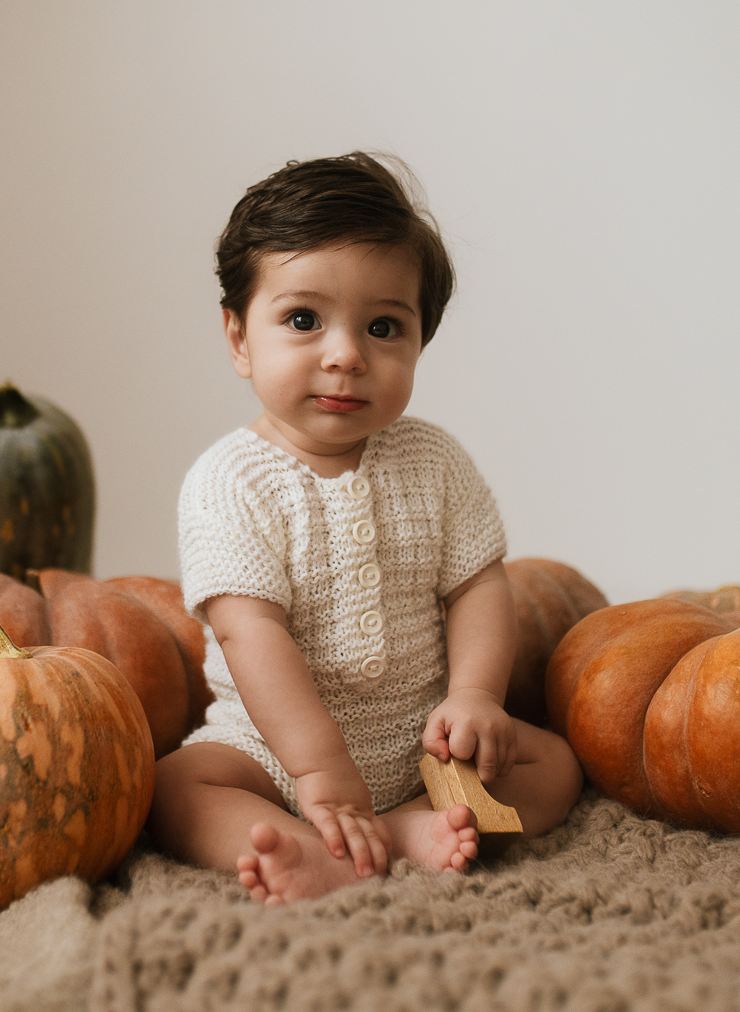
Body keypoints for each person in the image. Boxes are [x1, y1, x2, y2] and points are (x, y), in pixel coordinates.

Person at [148, 152, 582, 905]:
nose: (345, 354)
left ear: (420, 341)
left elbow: (479, 584)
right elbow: (251, 633)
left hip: (422, 741)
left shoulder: (436, 462)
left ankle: (413, 827)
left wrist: (476, 695)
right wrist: (316, 769)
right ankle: (321, 848)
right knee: (175, 788)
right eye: (304, 320)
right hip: (270, 749)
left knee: (555, 767)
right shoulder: (227, 481)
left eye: (384, 326)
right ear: (239, 338)